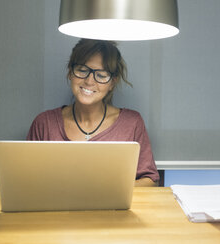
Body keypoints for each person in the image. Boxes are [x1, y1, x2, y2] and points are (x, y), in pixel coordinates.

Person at [26, 39, 159, 186]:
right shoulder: (44, 123)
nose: (89, 81)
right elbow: (26, 180)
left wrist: (110, 190)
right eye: (82, 70)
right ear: (71, 72)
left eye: (101, 75)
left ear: (112, 83)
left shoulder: (132, 122)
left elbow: (151, 180)